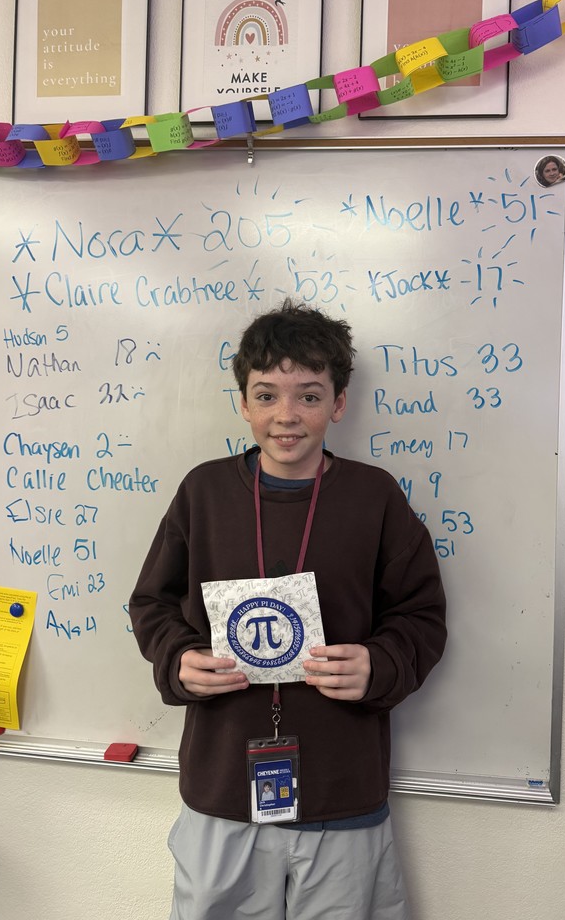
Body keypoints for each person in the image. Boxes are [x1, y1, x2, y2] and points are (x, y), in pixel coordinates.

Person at [129, 299, 447, 920]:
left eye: (308, 395)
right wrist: (179, 660)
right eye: (267, 395)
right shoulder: (204, 491)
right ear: (243, 404)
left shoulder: (374, 495)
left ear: (339, 403)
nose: (287, 416)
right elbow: (152, 602)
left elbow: (421, 615)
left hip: (341, 791)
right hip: (222, 787)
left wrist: (378, 666)